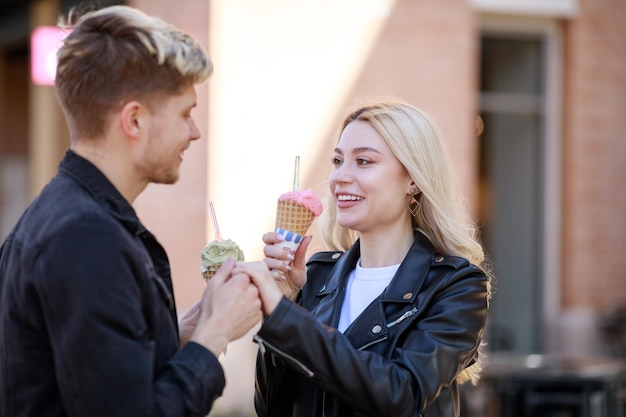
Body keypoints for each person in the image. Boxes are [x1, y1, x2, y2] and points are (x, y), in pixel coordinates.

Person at [0, 6, 262, 417]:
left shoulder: (66, 215)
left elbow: (99, 375)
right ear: (134, 120)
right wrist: (214, 337)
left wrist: (187, 331)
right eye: (185, 114)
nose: (194, 132)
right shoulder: (86, 238)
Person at [243, 100, 493, 417]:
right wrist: (284, 302)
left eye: (363, 161)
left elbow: (400, 394)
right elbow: (273, 408)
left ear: (413, 180)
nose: (340, 177)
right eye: (337, 161)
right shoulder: (314, 276)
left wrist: (286, 319)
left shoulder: (456, 286)